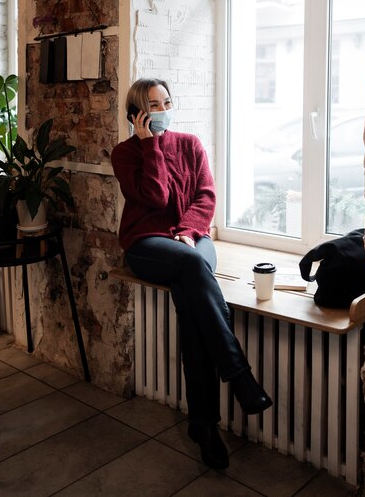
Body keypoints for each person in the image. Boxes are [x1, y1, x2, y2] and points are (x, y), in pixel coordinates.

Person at [111, 78, 272, 470]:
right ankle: (238, 375)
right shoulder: (124, 153)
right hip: (146, 243)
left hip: (192, 239)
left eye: (167, 101)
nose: (164, 109)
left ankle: (203, 425)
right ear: (137, 114)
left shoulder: (190, 144)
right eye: (154, 104)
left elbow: (206, 195)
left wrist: (187, 232)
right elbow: (156, 197)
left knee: (193, 297)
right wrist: (149, 144)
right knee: (193, 268)